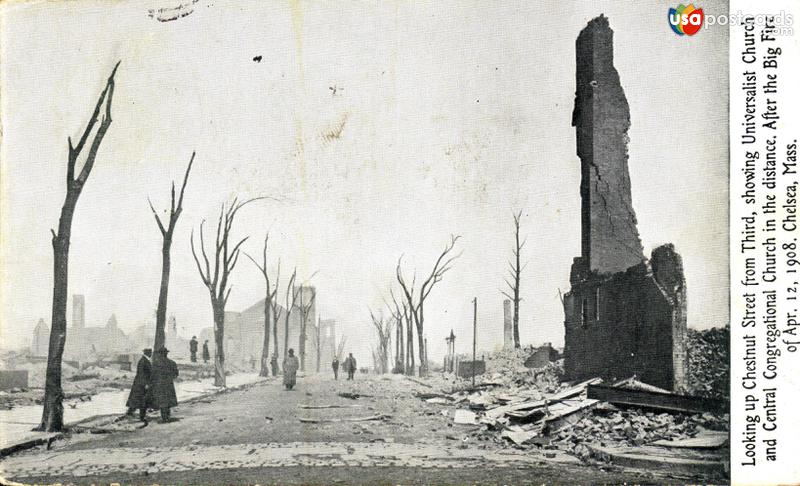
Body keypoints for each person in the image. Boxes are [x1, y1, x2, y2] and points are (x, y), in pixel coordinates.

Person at [150, 347, 179, 423]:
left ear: (160, 354)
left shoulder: (156, 363)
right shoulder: (171, 362)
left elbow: (152, 375)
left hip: (159, 385)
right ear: (166, 354)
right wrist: (170, 378)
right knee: (168, 400)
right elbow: (176, 374)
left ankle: (164, 417)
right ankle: (167, 416)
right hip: (168, 384)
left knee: (162, 401)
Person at [125, 348, 152, 422]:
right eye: (150, 352)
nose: (151, 354)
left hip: (140, 384)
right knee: (142, 401)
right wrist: (145, 384)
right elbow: (141, 374)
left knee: (136, 400)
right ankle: (141, 417)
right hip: (141, 384)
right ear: (147, 353)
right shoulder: (143, 361)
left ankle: (130, 413)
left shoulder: (144, 360)